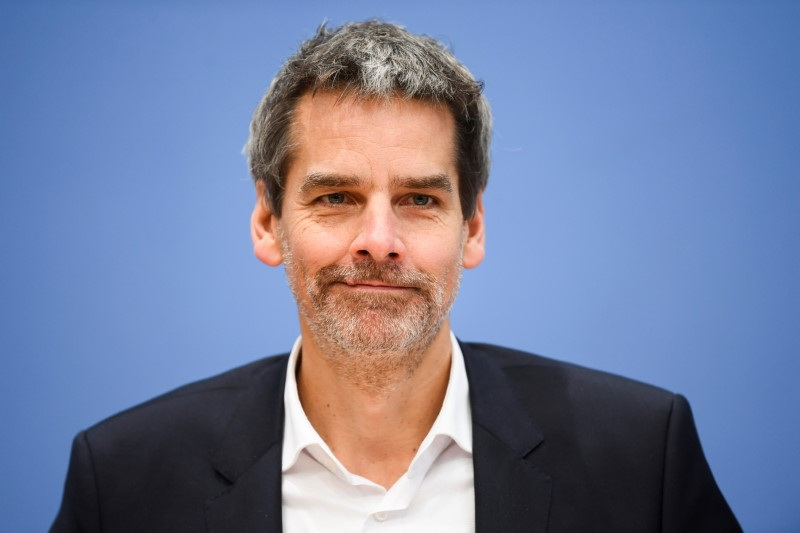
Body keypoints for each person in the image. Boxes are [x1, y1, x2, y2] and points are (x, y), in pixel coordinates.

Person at [51, 20, 741, 532]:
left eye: (419, 200)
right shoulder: (121, 482)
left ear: (472, 228)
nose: (379, 242)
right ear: (268, 223)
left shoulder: (644, 456)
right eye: (335, 197)